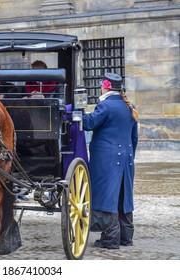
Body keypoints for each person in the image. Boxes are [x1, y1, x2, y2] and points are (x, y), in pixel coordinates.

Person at [83, 72, 138, 249]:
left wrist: (77, 111)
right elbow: (134, 138)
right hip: (127, 158)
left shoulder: (105, 106)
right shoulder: (130, 106)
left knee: (108, 195)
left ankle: (110, 239)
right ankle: (126, 237)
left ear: (105, 86)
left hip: (107, 158)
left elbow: (89, 123)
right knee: (123, 195)